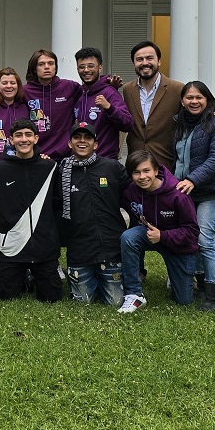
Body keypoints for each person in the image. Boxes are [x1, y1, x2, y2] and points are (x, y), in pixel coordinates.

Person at [0, 118, 63, 302]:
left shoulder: (50, 167)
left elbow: (59, 203)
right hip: (11, 248)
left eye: (28, 135)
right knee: (5, 296)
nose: (23, 139)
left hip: (43, 248)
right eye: (18, 136)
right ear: (11, 140)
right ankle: (23, 278)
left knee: (51, 297)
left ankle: (35, 276)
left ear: (36, 138)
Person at [173, 81, 215, 311]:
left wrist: (193, 179)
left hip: (210, 190)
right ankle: (199, 282)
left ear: (207, 98)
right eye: (189, 98)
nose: (194, 101)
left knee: (205, 240)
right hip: (186, 190)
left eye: (199, 97)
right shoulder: (180, 123)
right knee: (192, 238)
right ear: (182, 101)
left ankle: (214, 293)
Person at [57, 121, 129, 306]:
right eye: (77, 137)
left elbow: (135, 193)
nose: (82, 141)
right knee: (83, 302)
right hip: (79, 250)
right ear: (69, 143)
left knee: (115, 302)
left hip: (110, 248)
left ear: (96, 144)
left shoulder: (112, 167)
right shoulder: (61, 171)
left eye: (88, 137)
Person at [118, 149, 199, 313]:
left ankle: (177, 275)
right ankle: (134, 294)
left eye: (146, 171)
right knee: (128, 237)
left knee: (184, 300)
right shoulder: (130, 192)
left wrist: (163, 236)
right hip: (148, 235)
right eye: (136, 173)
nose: (142, 177)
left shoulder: (178, 195)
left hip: (177, 245)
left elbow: (192, 232)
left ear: (156, 170)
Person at [122, 40, 184, 173]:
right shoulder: (127, 90)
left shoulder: (177, 89)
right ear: (134, 63)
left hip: (165, 163)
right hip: (136, 164)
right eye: (139, 59)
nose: (145, 63)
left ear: (159, 61)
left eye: (150, 58)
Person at [72, 48, 133, 159]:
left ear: (100, 67)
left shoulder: (110, 93)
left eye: (91, 66)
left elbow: (127, 123)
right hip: (81, 161)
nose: (86, 70)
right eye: (82, 67)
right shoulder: (80, 95)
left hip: (105, 161)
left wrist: (109, 108)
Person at [23, 49, 80, 160]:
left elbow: (91, 93)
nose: (47, 67)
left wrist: (108, 84)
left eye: (51, 63)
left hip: (65, 154)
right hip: (35, 155)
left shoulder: (70, 87)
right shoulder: (25, 91)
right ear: (34, 69)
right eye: (41, 64)